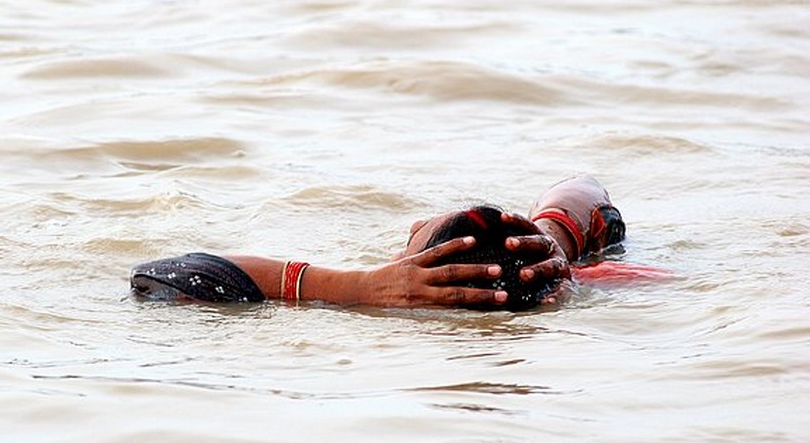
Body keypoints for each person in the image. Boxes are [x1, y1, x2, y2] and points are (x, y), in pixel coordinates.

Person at [130, 174, 631, 310]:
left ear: (411, 265)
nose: (412, 222)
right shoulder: (588, 280)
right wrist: (553, 241)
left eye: (417, 233)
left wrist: (356, 287)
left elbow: (158, 277)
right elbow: (583, 187)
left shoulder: (384, 306)